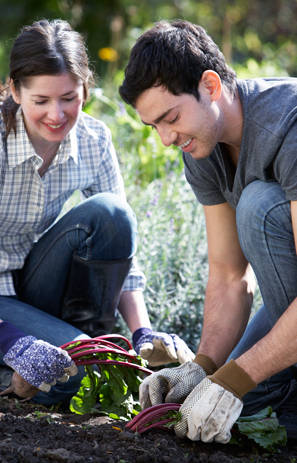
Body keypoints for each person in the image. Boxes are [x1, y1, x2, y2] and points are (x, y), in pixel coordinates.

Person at [0, 19, 193, 407]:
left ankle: (79, 343)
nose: (57, 115)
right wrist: (14, 343)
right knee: (76, 370)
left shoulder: (94, 140)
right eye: (40, 101)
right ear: (14, 90)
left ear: (85, 89)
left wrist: (142, 333)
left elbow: (123, 247)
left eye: (69, 98)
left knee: (112, 213)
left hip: (29, 288)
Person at [119, 19, 297, 443]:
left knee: (257, 206)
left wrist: (236, 379)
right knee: (208, 406)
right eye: (153, 126)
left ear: (211, 86)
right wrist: (203, 365)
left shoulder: (289, 126)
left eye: (170, 117)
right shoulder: (201, 141)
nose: (164, 138)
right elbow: (229, 275)